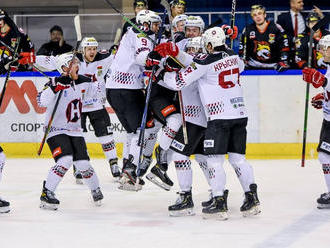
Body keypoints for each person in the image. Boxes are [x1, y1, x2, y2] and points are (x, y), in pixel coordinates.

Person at [154, 27, 260, 219]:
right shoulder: (234, 57)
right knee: (238, 159)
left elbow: (178, 81)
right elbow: (235, 65)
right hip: (240, 115)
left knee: (214, 160)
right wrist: (176, 52)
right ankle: (251, 198)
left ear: (209, 45)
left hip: (218, 118)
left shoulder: (204, 62)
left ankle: (219, 202)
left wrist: (161, 75)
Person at [37, 53, 104, 210]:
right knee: (65, 160)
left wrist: (103, 75)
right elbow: (41, 101)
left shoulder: (84, 81)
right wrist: (56, 87)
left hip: (75, 131)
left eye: (77, 62)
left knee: (83, 164)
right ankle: (47, 193)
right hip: (55, 130)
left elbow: (99, 91)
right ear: (64, 67)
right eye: (73, 63)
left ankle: (95, 188)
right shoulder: (53, 82)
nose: (77, 65)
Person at [106, 10, 162, 191]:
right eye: (154, 24)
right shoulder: (142, 35)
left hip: (113, 90)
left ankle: (126, 170)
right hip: (127, 90)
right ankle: (130, 172)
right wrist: (152, 59)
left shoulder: (130, 33)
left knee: (132, 131)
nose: (157, 27)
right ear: (145, 24)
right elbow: (141, 55)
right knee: (142, 129)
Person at [74, 37, 120, 181]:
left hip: (97, 105)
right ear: (83, 50)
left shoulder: (104, 58)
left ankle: (113, 163)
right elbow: (54, 62)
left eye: (94, 48)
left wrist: (116, 48)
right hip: (77, 106)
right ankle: (78, 166)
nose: (92, 51)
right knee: (77, 138)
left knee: (106, 137)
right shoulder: (73, 60)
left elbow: (121, 53)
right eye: (89, 49)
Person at [302, 34, 330, 209]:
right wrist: (325, 98)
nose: (320, 53)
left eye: (324, 49)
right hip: (328, 120)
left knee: (325, 156)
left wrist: (323, 82)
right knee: (325, 155)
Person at [239, 5, 290, 71]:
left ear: (265, 15)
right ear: (252, 18)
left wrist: (284, 61)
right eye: (254, 15)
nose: (257, 17)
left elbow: (284, 47)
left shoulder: (276, 28)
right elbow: (242, 49)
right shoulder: (247, 29)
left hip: (274, 66)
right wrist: (243, 61)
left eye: (260, 13)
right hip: (253, 65)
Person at [276, 0, 307, 66]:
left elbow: (315, 29)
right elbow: (280, 35)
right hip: (287, 52)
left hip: (303, 54)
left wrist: (321, 16)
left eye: (302, 2)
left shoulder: (306, 17)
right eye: (299, 2)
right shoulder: (282, 17)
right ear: (292, 4)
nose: (302, 3)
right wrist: (293, 39)